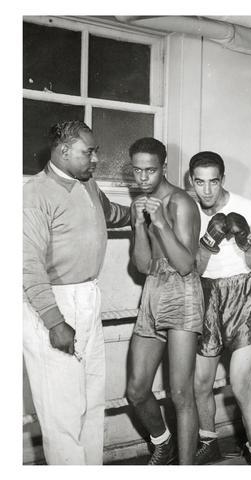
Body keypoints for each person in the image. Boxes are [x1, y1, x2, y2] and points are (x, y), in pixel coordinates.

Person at [23, 120, 131, 464]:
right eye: (89, 152)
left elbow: (107, 214)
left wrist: (136, 213)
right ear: (64, 150)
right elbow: (26, 266)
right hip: (52, 304)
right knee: (63, 414)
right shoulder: (34, 194)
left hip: (88, 297)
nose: (96, 158)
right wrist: (55, 321)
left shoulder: (86, 183)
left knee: (91, 402)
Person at [188, 151, 251, 465]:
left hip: (242, 293)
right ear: (191, 181)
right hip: (205, 292)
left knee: (241, 383)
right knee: (200, 382)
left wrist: (247, 240)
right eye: (200, 182)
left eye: (213, 181)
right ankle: (208, 441)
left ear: (222, 179)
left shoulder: (247, 208)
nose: (206, 190)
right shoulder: (189, 209)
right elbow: (192, 268)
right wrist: (209, 240)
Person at [125, 137, 203, 465]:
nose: (143, 178)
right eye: (138, 171)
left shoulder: (181, 202)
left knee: (181, 394)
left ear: (164, 168)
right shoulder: (139, 204)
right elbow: (143, 266)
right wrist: (141, 226)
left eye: (151, 171)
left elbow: (187, 265)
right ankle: (163, 441)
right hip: (153, 291)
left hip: (183, 294)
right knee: (136, 389)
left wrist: (159, 224)